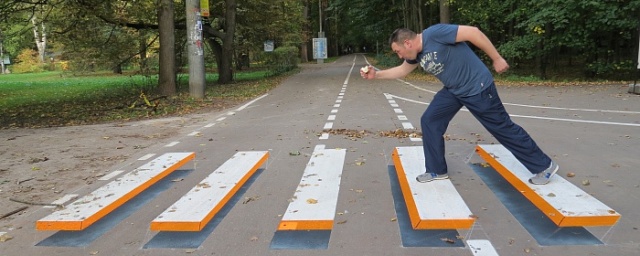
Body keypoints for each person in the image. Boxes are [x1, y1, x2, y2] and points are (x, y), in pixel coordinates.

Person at [360, 24, 559, 185]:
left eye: (398, 51)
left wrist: (496, 58)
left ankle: (544, 166)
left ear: (407, 43)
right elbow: (401, 71)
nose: (399, 56)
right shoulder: (416, 54)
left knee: (502, 128)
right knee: (430, 120)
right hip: (454, 91)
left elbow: (473, 32)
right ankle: (437, 170)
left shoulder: (435, 34)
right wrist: (376, 75)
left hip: (477, 88)